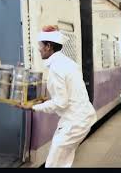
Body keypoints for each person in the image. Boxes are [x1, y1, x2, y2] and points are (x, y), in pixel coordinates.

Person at [17, 25, 97, 167]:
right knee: (63, 162)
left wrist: (33, 107)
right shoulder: (66, 62)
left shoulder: (56, 68)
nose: (39, 49)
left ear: (48, 46)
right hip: (80, 118)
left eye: (40, 46)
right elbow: (68, 94)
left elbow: (61, 103)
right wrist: (45, 100)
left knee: (53, 164)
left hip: (74, 122)